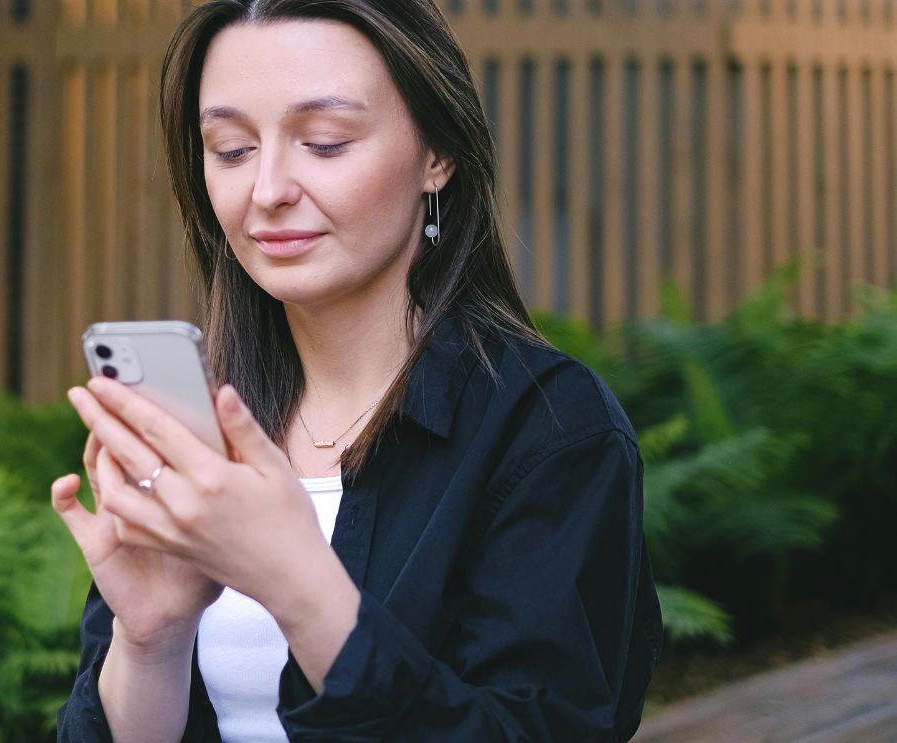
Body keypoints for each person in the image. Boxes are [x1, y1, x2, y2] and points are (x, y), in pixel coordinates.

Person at [51, 0, 662, 740]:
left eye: (325, 142)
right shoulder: (201, 428)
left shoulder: (549, 430)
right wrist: (150, 637)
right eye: (231, 149)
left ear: (437, 153)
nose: (267, 190)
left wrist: (299, 585)